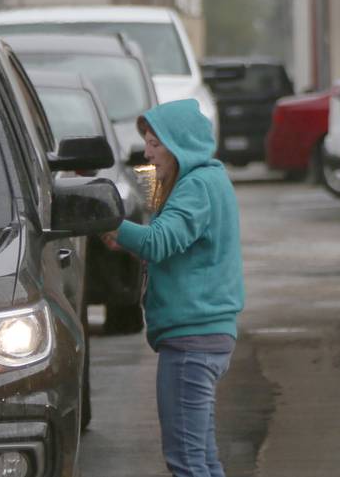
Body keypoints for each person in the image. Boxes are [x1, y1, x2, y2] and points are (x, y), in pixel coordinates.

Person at [102, 98, 244, 477]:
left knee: (186, 460)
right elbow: (178, 251)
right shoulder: (207, 181)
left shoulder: (196, 186)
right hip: (205, 336)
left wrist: (110, 222)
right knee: (203, 458)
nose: (147, 152)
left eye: (155, 143)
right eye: (146, 142)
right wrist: (130, 242)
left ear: (180, 143)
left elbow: (160, 241)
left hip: (191, 342)